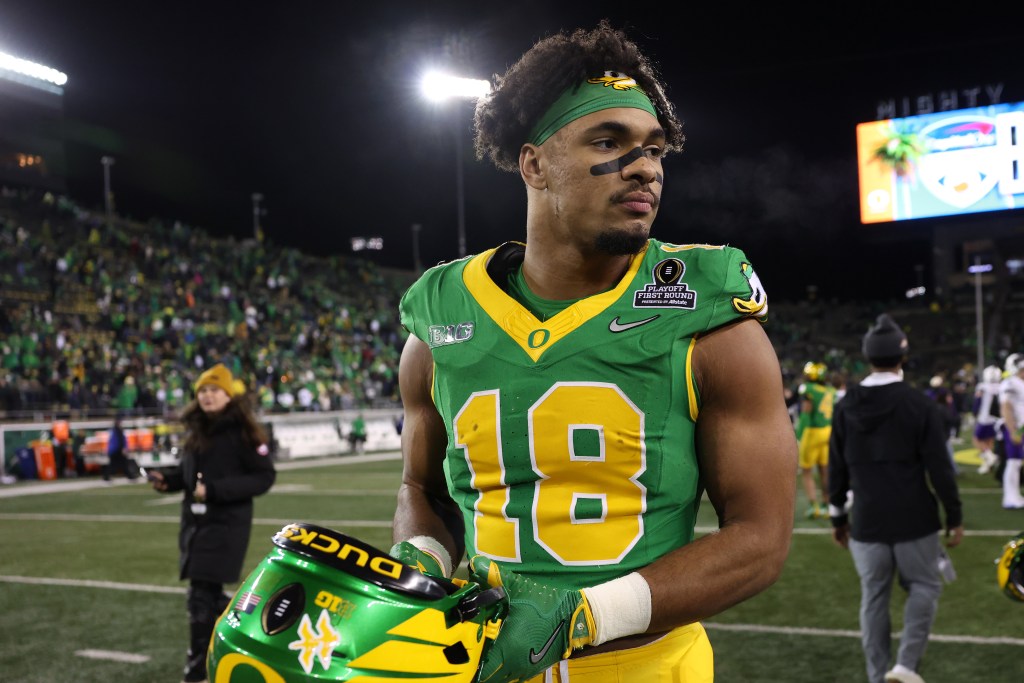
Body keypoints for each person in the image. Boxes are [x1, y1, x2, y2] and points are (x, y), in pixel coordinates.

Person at [390, 21, 797, 683]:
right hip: (480, 667)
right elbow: (422, 487)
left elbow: (760, 540)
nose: (644, 167)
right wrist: (420, 565)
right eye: (608, 142)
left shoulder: (707, 314)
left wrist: (583, 614)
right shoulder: (444, 315)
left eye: (655, 150)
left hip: (646, 667)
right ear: (534, 164)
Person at [828, 313, 963, 683]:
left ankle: (877, 676)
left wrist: (838, 518)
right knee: (924, 585)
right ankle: (904, 666)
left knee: (873, 598)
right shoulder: (918, 404)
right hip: (914, 517)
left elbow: (835, 469)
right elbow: (940, 468)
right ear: (902, 357)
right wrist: (954, 515)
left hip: (867, 521)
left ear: (868, 356)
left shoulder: (846, 405)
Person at [149, 363, 276, 683]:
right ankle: (255, 628)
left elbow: (264, 476)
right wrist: (170, 480)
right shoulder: (197, 431)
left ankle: (197, 672)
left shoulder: (242, 432)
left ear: (227, 394)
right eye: (202, 390)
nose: (207, 396)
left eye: (214, 390)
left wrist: (216, 490)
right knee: (209, 597)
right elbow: (191, 476)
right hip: (195, 526)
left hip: (226, 526)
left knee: (200, 597)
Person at [796, 361, 837, 519]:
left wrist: (799, 435)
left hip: (813, 432)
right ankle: (827, 505)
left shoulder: (809, 388)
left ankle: (815, 506)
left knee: (806, 471)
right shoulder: (831, 390)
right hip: (828, 431)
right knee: (824, 470)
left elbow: (806, 412)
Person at [998, 353, 1024, 509]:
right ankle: (1009, 498)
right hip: (1015, 427)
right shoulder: (1010, 383)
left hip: (1020, 427)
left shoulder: (1018, 383)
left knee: (1017, 462)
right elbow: (1006, 407)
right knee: (1013, 462)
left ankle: (1015, 495)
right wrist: (1013, 430)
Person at [972, 365, 1003, 475]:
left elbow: (977, 403)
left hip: (984, 418)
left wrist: (974, 413)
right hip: (997, 419)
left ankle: (990, 457)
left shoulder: (982, 387)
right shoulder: (1001, 386)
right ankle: (988, 464)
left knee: (977, 440)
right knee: (989, 441)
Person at [102, 413, 140, 481]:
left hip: (116, 450)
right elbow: (118, 441)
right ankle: (107, 477)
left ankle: (130, 476)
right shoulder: (117, 430)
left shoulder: (115, 430)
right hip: (116, 450)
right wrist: (123, 448)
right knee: (116, 464)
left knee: (122, 464)